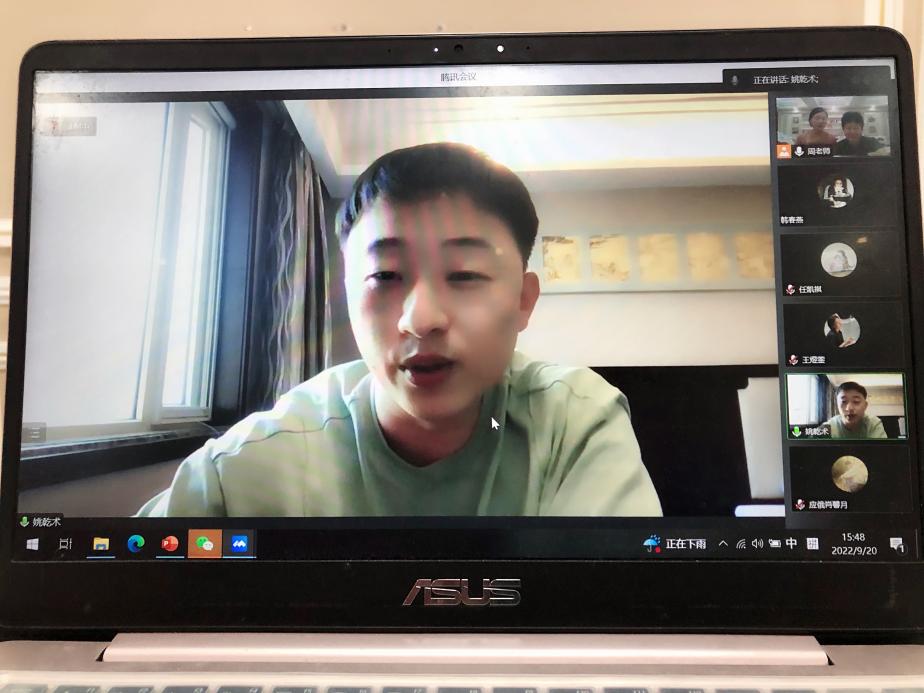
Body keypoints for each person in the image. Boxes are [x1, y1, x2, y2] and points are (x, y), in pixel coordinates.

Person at [137, 142, 662, 517]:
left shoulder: (573, 421)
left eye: (464, 275)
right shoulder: (256, 462)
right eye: (385, 276)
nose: (421, 319)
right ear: (348, 298)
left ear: (524, 301)